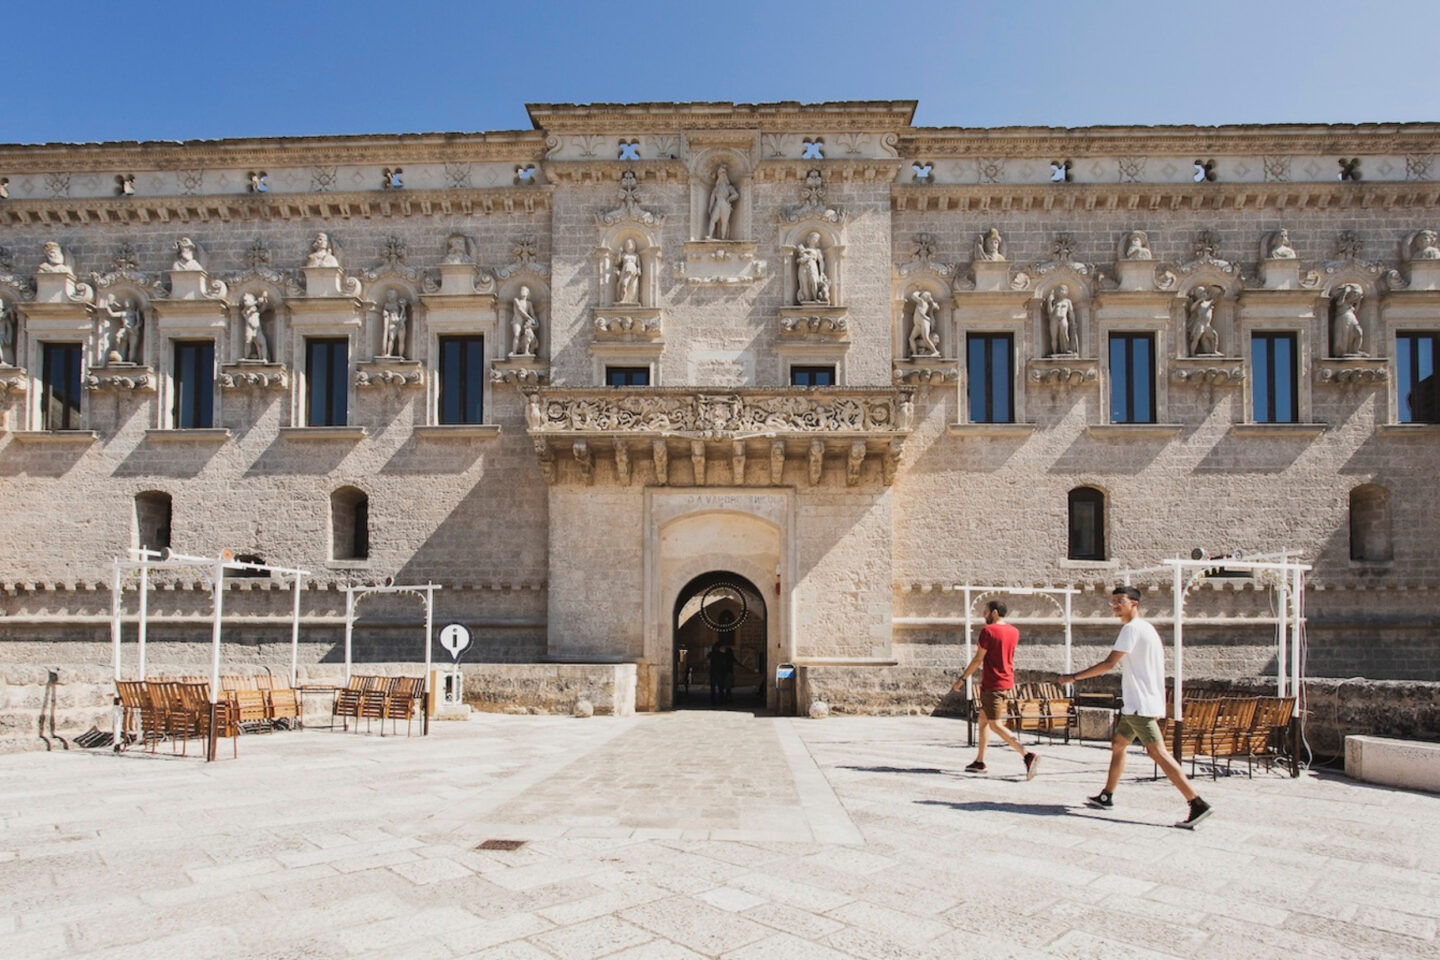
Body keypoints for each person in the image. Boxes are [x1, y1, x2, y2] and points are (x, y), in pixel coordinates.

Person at [1059, 585, 1213, 829]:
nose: (1115, 605)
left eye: (1120, 601)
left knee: (1157, 752)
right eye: (1113, 601)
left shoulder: (1130, 629)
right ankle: (1106, 795)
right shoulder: (1147, 628)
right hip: (1138, 704)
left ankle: (1196, 802)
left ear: (1134, 604)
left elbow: (1109, 664)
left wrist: (1073, 677)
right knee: (1119, 743)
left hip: (1140, 705)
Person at [952, 600, 1038, 779]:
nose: (983, 615)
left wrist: (962, 679)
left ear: (995, 613)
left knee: (995, 724)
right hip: (1006, 681)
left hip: (993, 684)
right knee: (983, 720)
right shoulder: (1014, 631)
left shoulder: (988, 631)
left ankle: (1027, 755)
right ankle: (979, 761)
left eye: (985, 612)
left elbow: (978, 659)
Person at [1331, 283, 1366, 357]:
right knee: (1345, 336)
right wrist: (1345, 292)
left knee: (1359, 333)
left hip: (1352, 318)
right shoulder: (1343, 302)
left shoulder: (1350, 305)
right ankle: (1344, 352)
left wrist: (1359, 301)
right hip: (1343, 318)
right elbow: (1339, 303)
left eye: (1356, 296)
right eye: (1354, 295)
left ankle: (1356, 350)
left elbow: (1356, 311)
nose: (1355, 297)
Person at [706, 164, 739, 241]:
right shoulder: (716, 188)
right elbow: (712, 198)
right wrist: (710, 206)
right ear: (719, 175)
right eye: (721, 173)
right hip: (718, 203)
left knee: (724, 222)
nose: (722, 175)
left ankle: (723, 238)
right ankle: (710, 236)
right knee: (713, 219)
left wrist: (728, 199)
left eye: (724, 173)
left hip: (724, 204)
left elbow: (736, 195)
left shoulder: (729, 187)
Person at [1187, 285, 1220, 357]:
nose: (1203, 294)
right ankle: (1192, 353)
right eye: (1201, 293)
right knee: (1196, 338)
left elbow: (1216, 299)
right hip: (1200, 323)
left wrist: (1218, 290)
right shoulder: (1198, 304)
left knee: (1214, 335)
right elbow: (1191, 309)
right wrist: (1200, 300)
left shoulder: (1208, 302)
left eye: (1203, 292)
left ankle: (1214, 351)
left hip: (1207, 324)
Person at [796, 232, 828, 304]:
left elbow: (821, 262)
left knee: (814, 281)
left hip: (813, 266)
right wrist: (801, 260)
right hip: (803, 267)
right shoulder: (803, 249)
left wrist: (821, 272)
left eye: (817, 238)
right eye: (814, 238)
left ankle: (815, 298)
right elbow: (798, 260)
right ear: (809, 239)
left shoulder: (817, 251)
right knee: (804, 283)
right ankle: (807, 299)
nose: (815, 240)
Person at [1046, 285, 1077, 356]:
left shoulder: (1068, 301)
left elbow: (1071, 312)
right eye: (1059, 290)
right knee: (1054, 336)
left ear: (1066, 292)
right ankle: (1054, 352)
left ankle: (1066, 349)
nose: (1061, 291)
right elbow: (1050, 312)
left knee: (1064, 333)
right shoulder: (1055, 301)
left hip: (1063, 318)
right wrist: (1049, 302)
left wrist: (1073, 322)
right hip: (1054, 319)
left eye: (1063, 290)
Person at [908, 290, 940, 357]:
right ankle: (915, 353)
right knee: (911, 338)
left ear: (927, 297)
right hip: (917, 324)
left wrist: (918, 291)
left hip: (923, 322)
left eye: (924, 294)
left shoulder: (922, 302)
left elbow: (913, 296)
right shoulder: (922, 303)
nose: (921, 295)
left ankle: (935, 351)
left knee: (925, 338)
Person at [240, 292, 269, 362]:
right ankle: (246, 357)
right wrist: (257, 302)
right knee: (248, 342)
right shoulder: (245, 311)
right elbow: (247, 306)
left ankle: (264, 358)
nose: (245, 302)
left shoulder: (257, 311)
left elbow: (264, 306)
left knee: (263, 343)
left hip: (257, 330)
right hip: (249, 328)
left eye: (246, 300)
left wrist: (264, 298)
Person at [511, 286, 540, 357]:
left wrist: (535, 321)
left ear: (527, 293)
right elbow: (520, 310)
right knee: (517, 334)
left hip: (525, 322)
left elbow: (532, 314)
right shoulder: (516, 300)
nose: (522, 291)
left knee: (529, 335)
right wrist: (530, 318)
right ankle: (514, 352)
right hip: (517, 320)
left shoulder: (529, 303)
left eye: (524, 290)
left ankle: (527, 350)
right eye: (521, 290)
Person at [381, 290, 409, 358]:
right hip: (392, 323)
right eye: (389, 295)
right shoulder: (387, 305)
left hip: (400, 323)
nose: (390, 297)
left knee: (401, 340)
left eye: (391, 295)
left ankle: (401, 355)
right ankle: (389, 353)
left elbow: (404, 316)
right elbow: (385, 313)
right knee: (391, 338)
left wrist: (402, 320)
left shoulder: (399, 304)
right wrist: (385, 313)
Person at [615, 238, 642, 305]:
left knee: (633, 286)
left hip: (633, 271)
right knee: (624, 284)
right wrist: (619, 252)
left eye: (631, 243)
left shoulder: (636, 255)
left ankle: (632, 300)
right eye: (628, 243)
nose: (629, 245)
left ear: (633, 245)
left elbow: (639, 265)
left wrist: (639, 270)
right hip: (625, 270)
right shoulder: (624, 254)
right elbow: (617, 262)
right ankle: (622, 299)